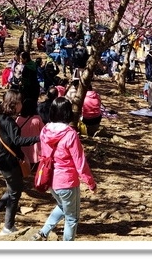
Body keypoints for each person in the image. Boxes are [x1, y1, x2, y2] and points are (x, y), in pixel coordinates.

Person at [32, 97, 98, 241]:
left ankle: (43, 232)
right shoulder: (70, 134)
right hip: (67, 182)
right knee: (72, 218)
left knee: (62, 206)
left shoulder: (45, 130)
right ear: (68, 113)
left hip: (50, 179)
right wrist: (91, 183)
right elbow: (80, 163)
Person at [0, 90, 40, 236]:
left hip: (2, 160)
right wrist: (38, 138)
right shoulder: (9, 121)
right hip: (10, 162)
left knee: (12, 189)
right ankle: (8, 226)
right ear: (14, 104)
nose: (22, 105)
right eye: (20, 102)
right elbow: (17, 141)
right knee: (15, 192)